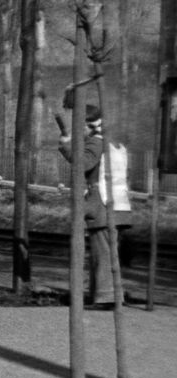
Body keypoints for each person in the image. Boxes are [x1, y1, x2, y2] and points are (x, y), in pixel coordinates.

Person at [58, 103, 123, 309]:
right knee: (106, 253)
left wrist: (66, 144)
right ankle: (103, 295)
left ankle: (107, 298)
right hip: (118, 204)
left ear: (88, 125)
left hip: (102, 203)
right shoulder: (116, 144)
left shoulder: (96, 143)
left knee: (102, 254)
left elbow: (82, 164)